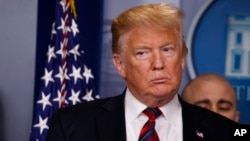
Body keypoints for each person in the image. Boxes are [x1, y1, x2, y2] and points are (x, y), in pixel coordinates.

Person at [46, 3, 239, 141]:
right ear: (120, 65)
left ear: (181, 59)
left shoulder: (223, 131)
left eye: (167, 50)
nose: (158, 63)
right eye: (142, 53)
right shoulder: (72, 125)